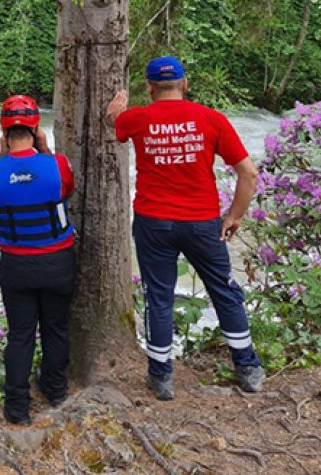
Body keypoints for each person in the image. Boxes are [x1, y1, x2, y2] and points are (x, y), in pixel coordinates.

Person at [106, 55, 265, 401]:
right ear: (185, 84)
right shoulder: (211, 119)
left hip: (154, 222)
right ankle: (248, 368)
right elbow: (249, 173)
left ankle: (161, 377)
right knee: (224, 290)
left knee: (158, 297)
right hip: (203, 222)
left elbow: (117, 126)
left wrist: (115, 112)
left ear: (149, 88)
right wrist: (235, 216)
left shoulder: (137, 118)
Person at [0, 95, 78, 426]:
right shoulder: (57, 164)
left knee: (20, 335)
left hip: (16, 266)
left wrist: (4, 151)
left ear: (3, 133)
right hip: (57, 262)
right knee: (56, 328)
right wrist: (45, 149)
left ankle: (17, 408)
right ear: (36, 129)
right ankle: (56, 389)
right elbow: (66, 188)